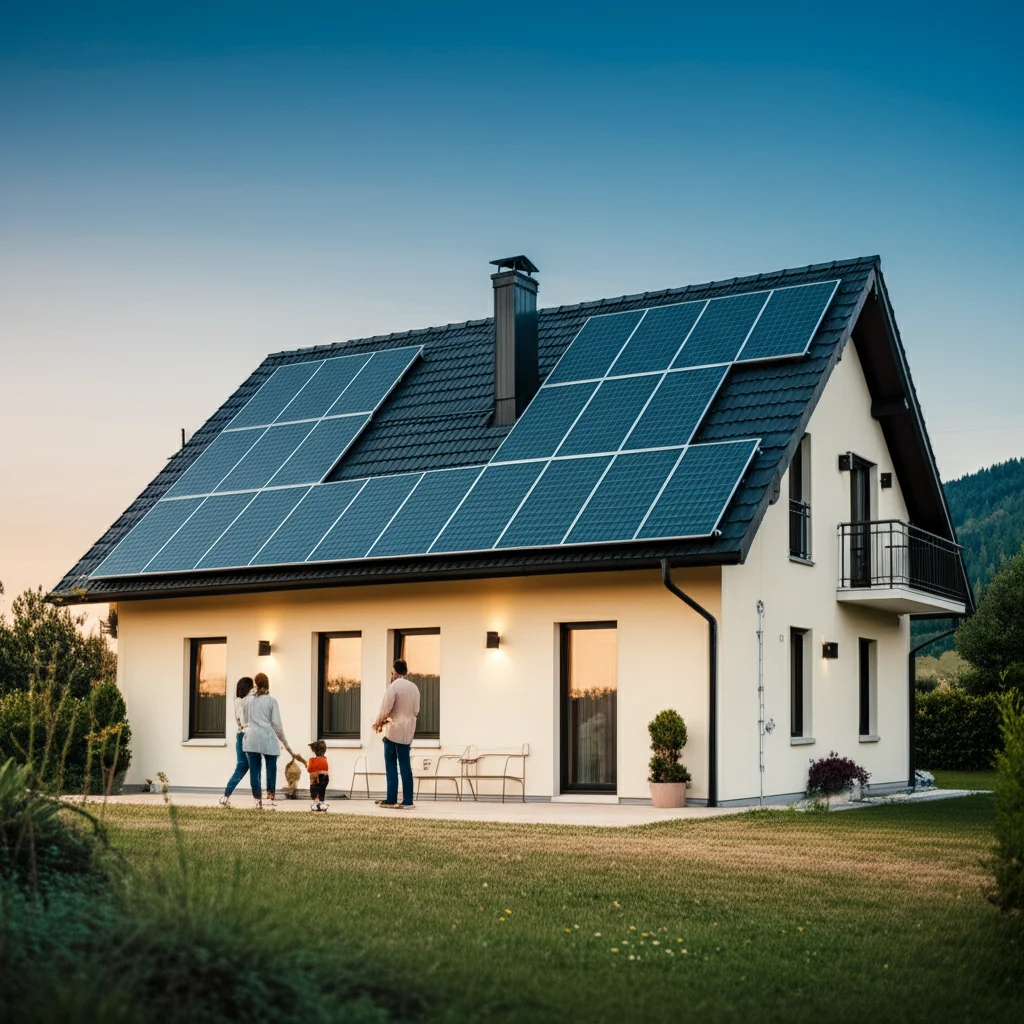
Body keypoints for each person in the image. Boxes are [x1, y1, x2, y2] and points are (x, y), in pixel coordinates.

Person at [242, 672, 296, 808]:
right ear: (267, 684)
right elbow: (276, 725)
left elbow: (245, 721)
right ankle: (271, 795)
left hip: (252, 738)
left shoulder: (247, 701)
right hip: (268, 738)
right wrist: (285, 742)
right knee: (271, 767)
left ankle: (256, 799)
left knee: (254, 770)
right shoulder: (272, 701)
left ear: (256, 684)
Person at [372, 659, 420, 809]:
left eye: (392, 671)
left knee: (391, 764)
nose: (392, 674)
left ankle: (391, 798)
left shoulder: (393, 687)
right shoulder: (414, 688)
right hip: (407, 732)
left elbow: (385, 708)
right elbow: (416, 711)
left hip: (393, 731)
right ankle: (408, 800)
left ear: (395, 671)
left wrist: (378, 723)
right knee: (405, 765)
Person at [219, 676, 255, 807]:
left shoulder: (237, 701)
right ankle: (258, 799)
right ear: (248, 688)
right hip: (249, 735)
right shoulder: (248, 701)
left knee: (242, 766)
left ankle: (226, 795)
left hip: (239, 736)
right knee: (255, 766)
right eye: (252, 687)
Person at [305, 739, 330, 812]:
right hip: (324, 778)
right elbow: (326, 769)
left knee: (314, 791)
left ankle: (315, 804)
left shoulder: (312, 760)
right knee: (322, 791)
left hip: (314, 780)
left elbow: (309, 770)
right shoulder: (324, 760)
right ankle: (321, 803)